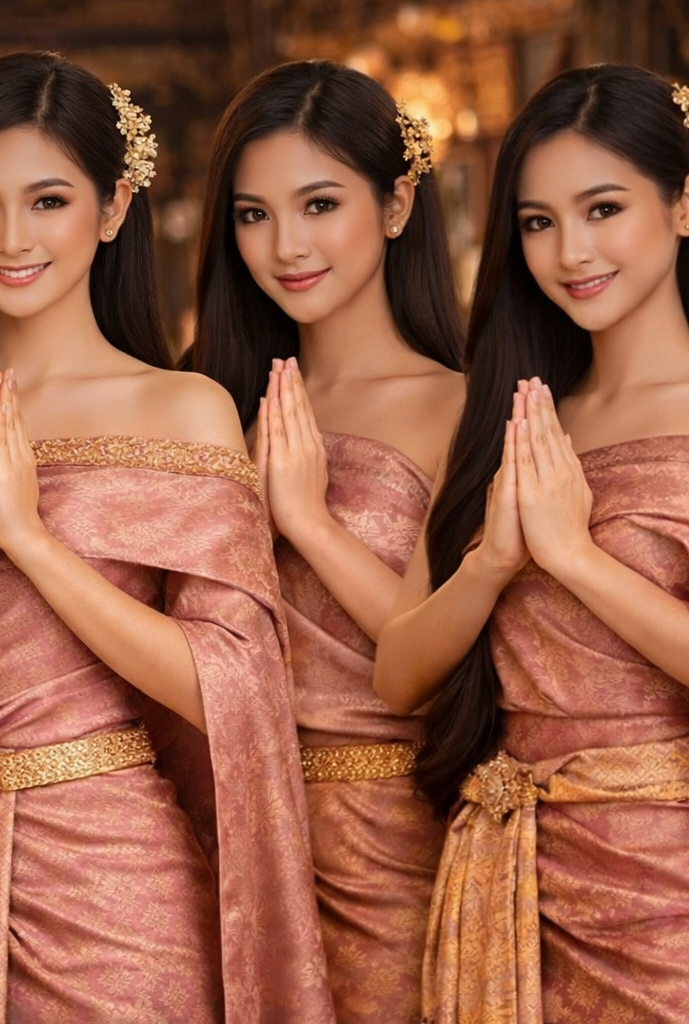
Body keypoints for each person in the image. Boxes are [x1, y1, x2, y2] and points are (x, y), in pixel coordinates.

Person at [0, 51, 332, 1024]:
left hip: (109, 882)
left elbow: (240, 681)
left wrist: (34, 547)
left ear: (113, 207)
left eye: (47, 200)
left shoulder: (183, 409)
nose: (11, 237)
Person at [374, 64, 689, 1022]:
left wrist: (576, 558)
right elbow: (399, 673)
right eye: (539, 221)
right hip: (509, 886)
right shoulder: (511, 417)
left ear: (686, 204)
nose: (570, 251)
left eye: (603, 209)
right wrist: (495, 564)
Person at [188, 59, 464, 1024]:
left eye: (318, 204)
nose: (285, 245)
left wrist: (304, 518)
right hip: (223, 824)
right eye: (254, 214)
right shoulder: (208, 402)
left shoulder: (463, 406)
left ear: (395, 206)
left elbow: (453, 652)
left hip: (400, 838)